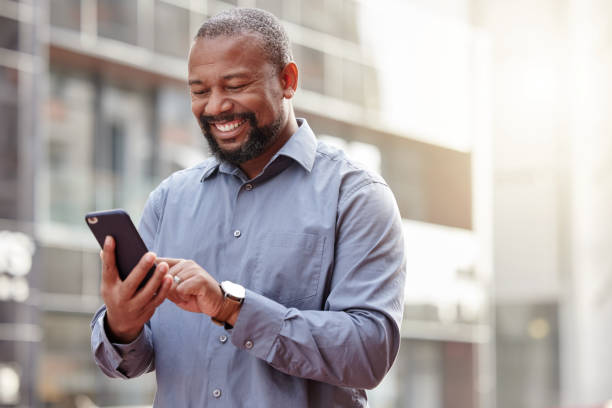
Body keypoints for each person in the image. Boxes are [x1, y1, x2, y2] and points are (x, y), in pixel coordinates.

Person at [91, 7, 406, 407]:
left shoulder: (356, 198)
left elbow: (368, 353)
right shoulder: (169, 200)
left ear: (287, 81)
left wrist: (231, 307)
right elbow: (126, 360)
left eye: (235, 86)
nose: (216, 106)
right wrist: (122, 324)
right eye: (200, 91)